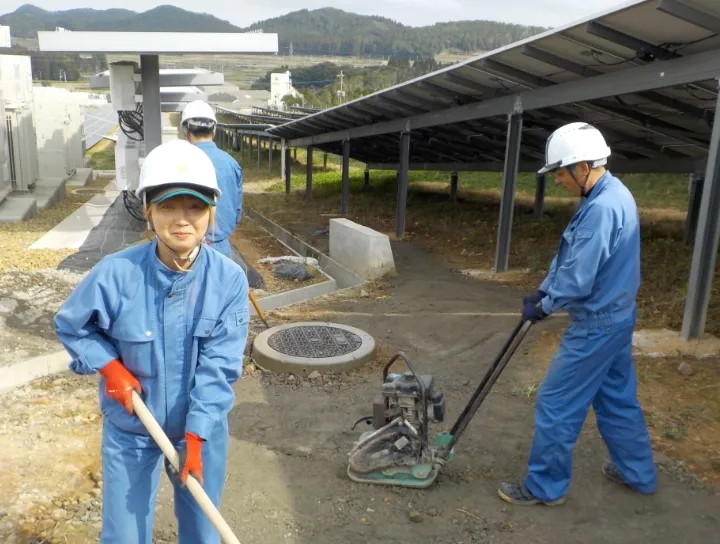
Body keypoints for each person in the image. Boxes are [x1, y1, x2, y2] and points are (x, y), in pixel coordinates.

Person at [53, 139, 250, 543]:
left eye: (194, 207)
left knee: (202, 530)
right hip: (131, 426)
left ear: (210, 212)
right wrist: (108, 366)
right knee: (124, 535)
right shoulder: (116, 272)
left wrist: (195, 436)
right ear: (149, 211)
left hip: (198, 430)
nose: (182, 219)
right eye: (167, 207)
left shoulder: (228, 280)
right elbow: (73, 325)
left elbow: (220, 365)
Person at [497, 122, 657, 506]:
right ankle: (639, 475)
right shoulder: (614, 194)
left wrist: (546, 305)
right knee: (617, 399)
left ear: (582, 167)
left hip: (596, 326)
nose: (557, 181)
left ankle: (544, 488)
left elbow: (580, 277)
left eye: (560, 173)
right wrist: (543, 288)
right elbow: (571, 258)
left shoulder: (600, 209)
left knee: (556, 403)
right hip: (618, 318)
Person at [181, 99, 243, 258]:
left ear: (186, 130)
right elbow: (236, 210)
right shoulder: (231, 163)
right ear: (214, 129)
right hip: (221, 247)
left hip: (186, 246)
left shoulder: (179, 160)